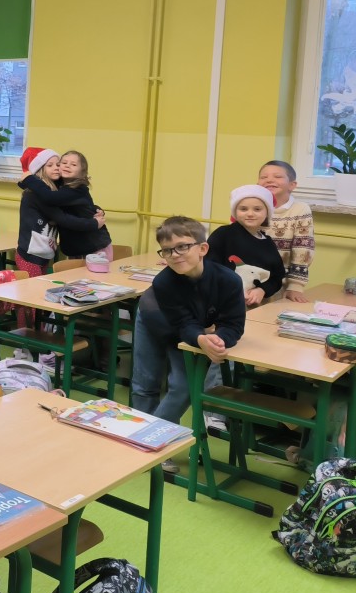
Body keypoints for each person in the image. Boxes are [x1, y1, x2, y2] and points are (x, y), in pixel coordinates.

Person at [130, 216, 245, 471]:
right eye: (167, 250)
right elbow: (182, 324)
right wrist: (201, 338)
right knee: (146, 382)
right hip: (153, 318)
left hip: (191, 329)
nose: (175, 255)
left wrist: (219, 340)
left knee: (183, 386)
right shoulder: (164, 282)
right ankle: (144, 445)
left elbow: (234, 324)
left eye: (182, 246)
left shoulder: (229, 280)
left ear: (202, 248)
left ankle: (151, 441)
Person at [14, 147, 104, 278]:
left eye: (58, 164)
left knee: (40, 287)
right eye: (50, 165)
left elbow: (76, 206)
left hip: (43, 253)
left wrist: (96, 209)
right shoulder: (38, 195)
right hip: (30, 255)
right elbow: (63, 218)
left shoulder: (55, 190)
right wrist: (93, 223)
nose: (56, 168)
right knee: (34, 289)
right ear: (39, 169)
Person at [206, 185, 286, 307]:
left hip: (254, 307)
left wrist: (262, 290)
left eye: (257, 209)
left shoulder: (268, 243)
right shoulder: (223, 234)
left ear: (267, 213)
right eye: (243, 209)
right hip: (222, 305)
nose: (250, 214)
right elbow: (208, 267)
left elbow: (277, 277)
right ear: (235, 212)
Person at [258, 160, 314, 303]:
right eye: (263, 177)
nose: (269, 180)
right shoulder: (252, 208)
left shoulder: (300, 209)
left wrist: (295, 285)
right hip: (249, 280)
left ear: (292, 185)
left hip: (279, 283)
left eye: (277, 176)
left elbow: (303, 249)